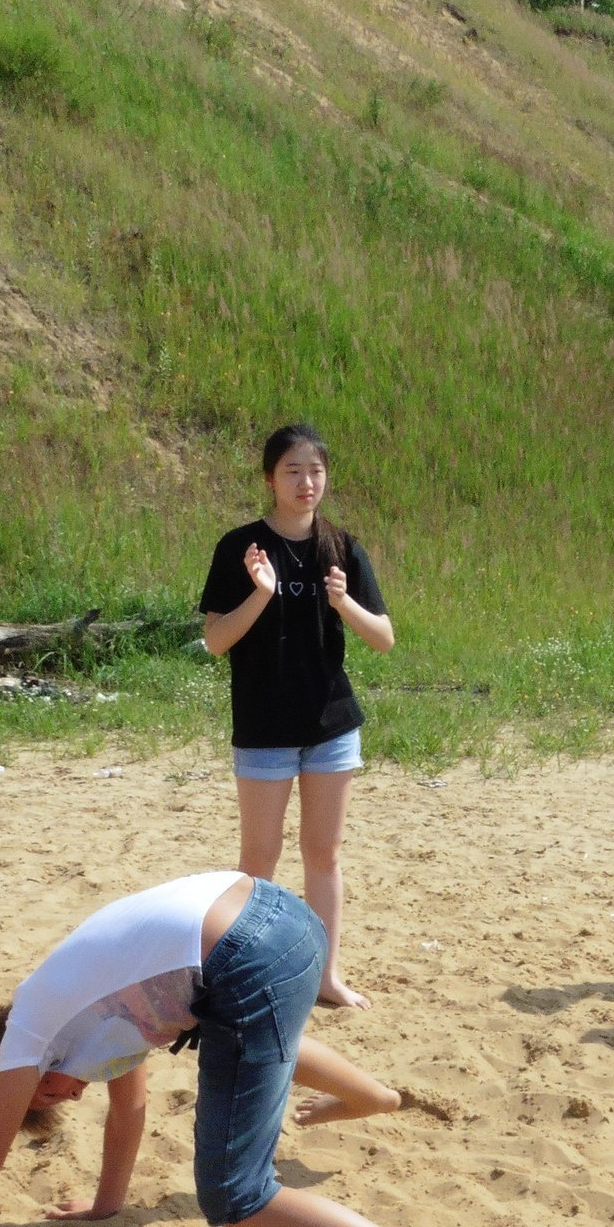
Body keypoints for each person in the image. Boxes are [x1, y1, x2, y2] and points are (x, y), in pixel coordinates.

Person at [0, 871, 489, 1227]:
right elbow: (130, 1107)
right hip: (287, 917)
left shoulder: (31, 1033)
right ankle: (374, 1097)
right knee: (227, 1034)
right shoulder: (94, 1011)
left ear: (27, 1074)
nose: (72, 1098)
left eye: (51, 1098)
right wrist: (108, 1205)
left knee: (235, 1195)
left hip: (246, 954)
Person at [199, 424, 394, 1010]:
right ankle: (244, 968)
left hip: (330, 725)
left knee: (323, 854)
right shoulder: (242, 546)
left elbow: (384, 639)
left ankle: (325, 976)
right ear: (269, 479)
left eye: (315, 472)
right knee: (259, 857)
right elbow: (214, 640)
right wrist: (261, 593)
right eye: (292, 472)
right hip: (264, 727)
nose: (306, 483)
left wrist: (342, 601)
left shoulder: (342, 548)